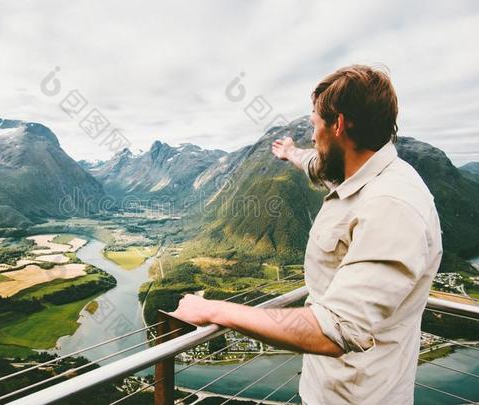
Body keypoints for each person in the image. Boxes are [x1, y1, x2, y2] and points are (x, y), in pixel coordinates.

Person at [170, 64, 443, 404]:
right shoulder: (358, 172)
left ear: (339, 125)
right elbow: (317, 162)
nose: (312, 136)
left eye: (315, 125)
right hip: (327, 389)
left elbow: (335, 329)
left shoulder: (391, 205)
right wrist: (290, 154)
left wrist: (214, 310)